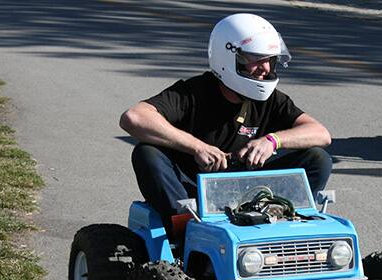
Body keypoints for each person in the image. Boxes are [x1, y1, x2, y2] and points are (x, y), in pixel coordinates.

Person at [120, 13, 332, 237]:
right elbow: (134, 117)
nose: (266, 68)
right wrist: (197, 147)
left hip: (252, 189)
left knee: (317, 158)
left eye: (270, 59)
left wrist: (272, 141)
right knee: (147, 153)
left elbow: (321, 134)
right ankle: (185, 233)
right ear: (228, 57)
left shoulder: (271, 100)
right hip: (193, 190)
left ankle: (282, 223)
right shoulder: (192, 92)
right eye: (256, 59)